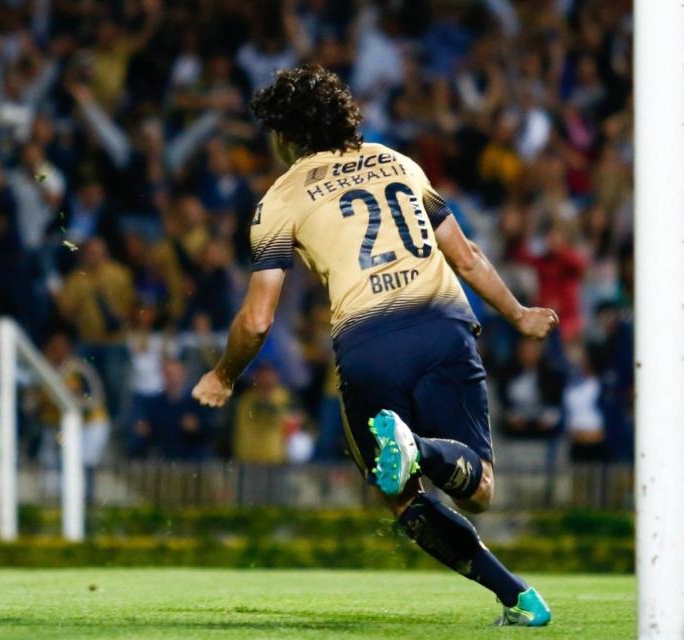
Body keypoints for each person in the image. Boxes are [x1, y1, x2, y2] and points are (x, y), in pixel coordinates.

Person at [192, 65, 558, 626]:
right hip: (443, 326)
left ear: (285, 136)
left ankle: (514, 593)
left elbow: (258, 319)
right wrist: (518, 312)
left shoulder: (280, 199)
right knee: (479, 489)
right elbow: (465, 256)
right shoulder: (398, 162)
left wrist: (223, 374)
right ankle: (511, 586)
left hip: (367, 343)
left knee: (403, 498)